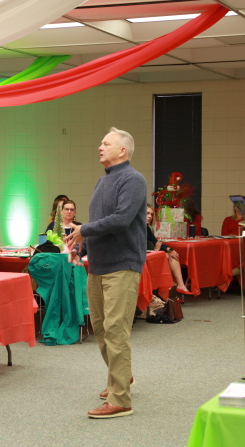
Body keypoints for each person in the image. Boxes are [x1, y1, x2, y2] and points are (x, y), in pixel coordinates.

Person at [65, 127, 147, 419]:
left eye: (106, 143)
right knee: (100, 329)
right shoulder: (103, 181)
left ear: (122, 151)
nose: (100, 147)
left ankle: (121, 399)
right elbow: (101, 225)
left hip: (122, 266)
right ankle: (122, 377)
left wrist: (83, 230)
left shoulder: (133, 179)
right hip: (97, 266)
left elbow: (121, 220)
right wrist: (81, 248)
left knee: (115, 331)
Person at [146, 204, 190, 295]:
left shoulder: (146, 227)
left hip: (148, 252)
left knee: (172, 255)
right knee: (169, 256)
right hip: (141, 255)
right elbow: (153, 244)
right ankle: (178, 286)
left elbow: (156, 242)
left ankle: (180, 285)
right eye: (147, 213)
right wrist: (157, 250)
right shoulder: (138, 227)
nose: (150, 216)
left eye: (151, 214)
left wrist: (169, 249)